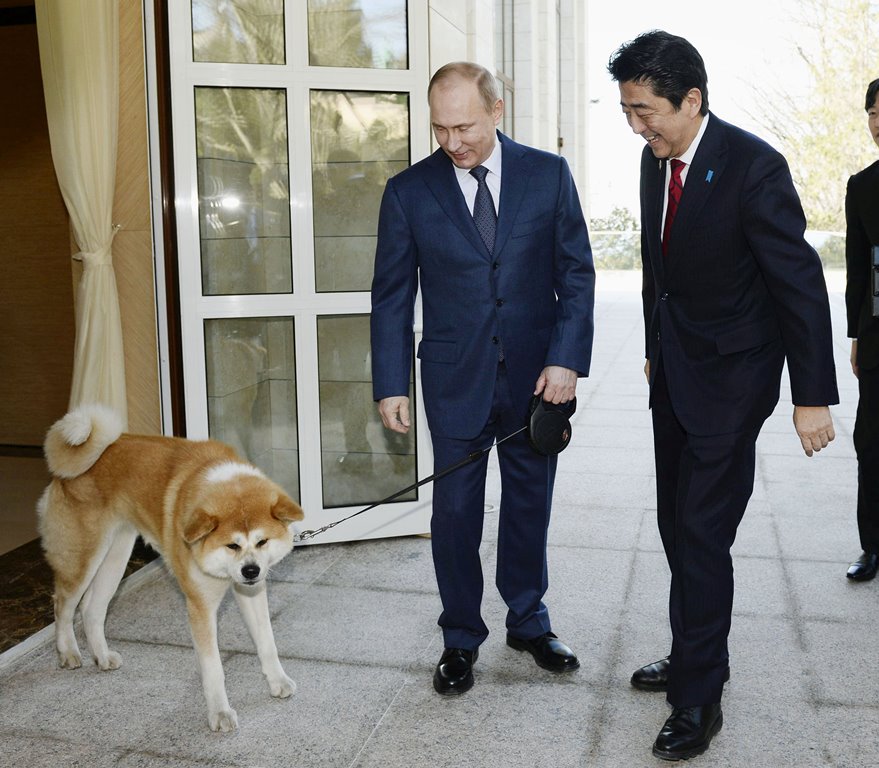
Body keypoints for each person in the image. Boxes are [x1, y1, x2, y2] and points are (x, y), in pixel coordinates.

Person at [607, 30, 839, 761]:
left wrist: (811, 396)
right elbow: (657, 270)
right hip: (674, 373)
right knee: (678, 528)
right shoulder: (655, 163)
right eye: (626, 110)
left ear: (692, 99)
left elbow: (797, 282)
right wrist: (651, 350)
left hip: (732, 382)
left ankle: (697, 698)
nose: (636, 125)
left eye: (646, 110)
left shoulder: (751, 167)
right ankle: (693, 652)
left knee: (702, 534)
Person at [370, 61, 595, 695]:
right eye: (440, 129)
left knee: (530, 504)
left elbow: (576, 275)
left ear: (497, 111)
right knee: (457, 513)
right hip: (454, 379)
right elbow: (390, 296)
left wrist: (567, 357)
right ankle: (460, 637)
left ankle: (528, 620)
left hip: (534, 380)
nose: (452, 142)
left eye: (464, 126)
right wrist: (390, 382)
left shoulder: (548, 175)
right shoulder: (409, 192)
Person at [844, 78, 879, 583]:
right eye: (873, 112)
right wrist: (856, 334)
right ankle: (872, 545)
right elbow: (857, 269)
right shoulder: (863, 186)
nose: (878, 123)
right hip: (877, 336)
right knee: (870, 443)